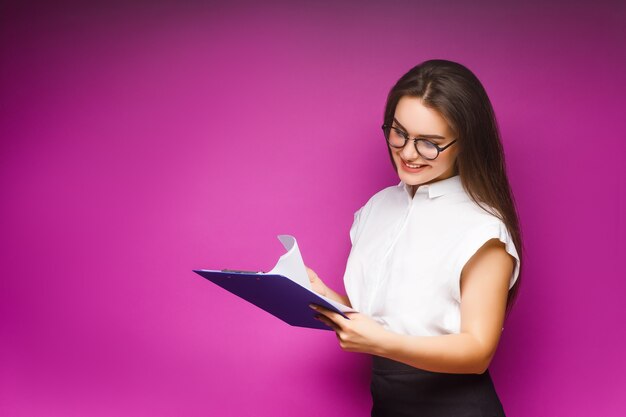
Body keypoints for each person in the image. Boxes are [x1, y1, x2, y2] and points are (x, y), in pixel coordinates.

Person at [306, 59, 522, 416]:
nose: (407, 152)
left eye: (429, 143)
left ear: (465, 142)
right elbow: (394, 318)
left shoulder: (483, 228)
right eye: (399, 132)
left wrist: (382, 343)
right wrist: (325, 299)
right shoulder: (377, 208)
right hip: (388, 404)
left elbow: (478, 352)